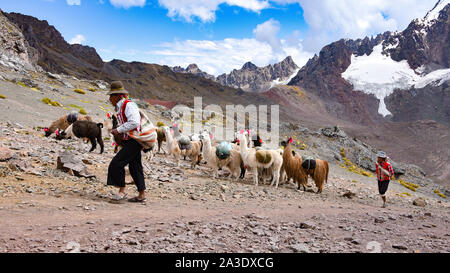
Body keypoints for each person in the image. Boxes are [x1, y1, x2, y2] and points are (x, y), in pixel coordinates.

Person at [106, 81, 146, 203]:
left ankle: (122, 191)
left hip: (134, 140)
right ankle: (141, 195)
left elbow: (134, 122)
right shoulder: (122, 106)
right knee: (135, 167)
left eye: (111, 96)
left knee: (116, 163)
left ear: (118, 95)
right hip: (131, 140)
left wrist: (118, 130)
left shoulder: (128, 105)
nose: (109, 98)